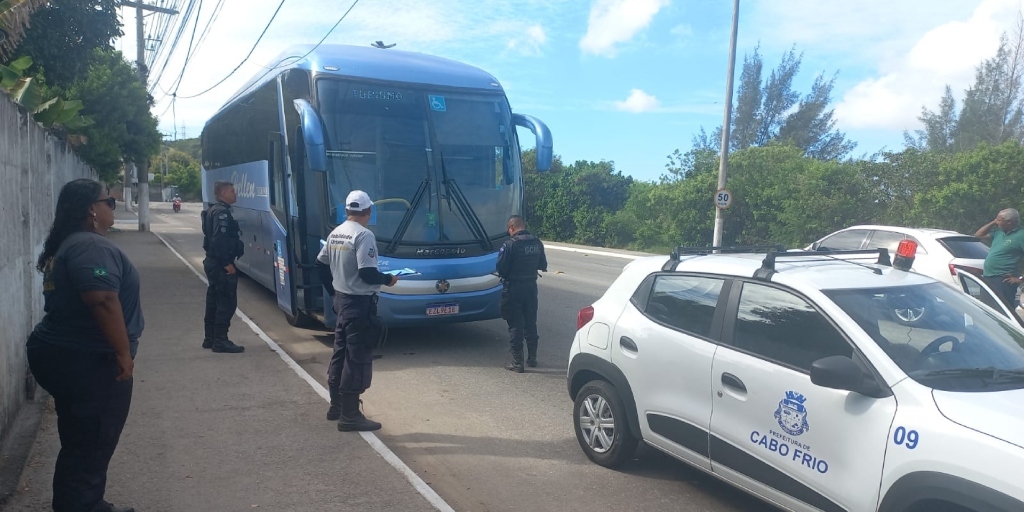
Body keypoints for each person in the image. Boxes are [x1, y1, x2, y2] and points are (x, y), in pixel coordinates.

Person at [26, 178, 142, 512]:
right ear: (92, 209)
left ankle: (81, 503)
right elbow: (103, 299)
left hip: (66, 354)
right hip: (89, 359)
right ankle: (83, 506)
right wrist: (122, 353)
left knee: (80, 439)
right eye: (110, 202)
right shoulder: (90, 247)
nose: (112, 207)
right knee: (93, 441)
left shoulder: (72, 243)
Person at [315, 190, 398, 431]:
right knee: (357, 357)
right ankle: (350, 416)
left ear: (347, 210)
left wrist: (333, 291)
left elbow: (319, 263)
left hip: (342, 300)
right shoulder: (364, 235)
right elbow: (367, 273)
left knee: (340, 352)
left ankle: (336, 406)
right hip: (359, 303)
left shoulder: (336, 233)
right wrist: (388, 278)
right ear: (368, 212)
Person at [496, 215, 547, 373]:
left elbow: (501, 268)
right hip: (531, 288)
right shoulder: (537, 243)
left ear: (511, 227)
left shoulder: (510, 244)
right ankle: (532, 358)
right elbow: (543, 265)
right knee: (531, 322)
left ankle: (517, 363)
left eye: (508, 229)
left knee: (515, 324)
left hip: (513, 289)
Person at [201, 181, 245, 353]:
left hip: (212, 262)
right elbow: (219, 241)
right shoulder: (221, 213)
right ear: (223, 193)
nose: (235, 194)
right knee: (226, 302)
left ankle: (210, 338)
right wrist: (227, 264)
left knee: (213, 300)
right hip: (220, 265)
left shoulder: (213, 210)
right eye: (233, 191)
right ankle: (220, 340)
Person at [975, 208, 1024, 310]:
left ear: (1009, 222)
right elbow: (978, 235)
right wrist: (994, 221)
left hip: (1003, 280)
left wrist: (1020, 279)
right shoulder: (998, 233)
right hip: (988, 277)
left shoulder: (1021, 235)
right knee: (987, 310)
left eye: (1000, 220)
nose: (997, 223)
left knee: (1002, 311)